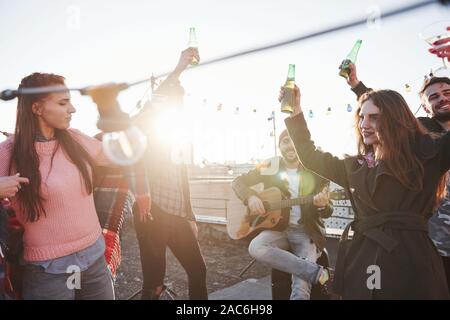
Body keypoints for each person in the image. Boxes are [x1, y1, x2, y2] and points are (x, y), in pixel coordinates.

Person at [282, 81, 450, 299]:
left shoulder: (427, 154)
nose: (364, 124)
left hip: (413, 260)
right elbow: (309, 155)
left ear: (396, 120)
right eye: (362, 117)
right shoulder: (354, 166)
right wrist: (295, 111)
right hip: (365, 256)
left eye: (374, 117)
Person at [0, 73, 115, 300]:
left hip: (94, 259)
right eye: (63, 103)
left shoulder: (75, 139)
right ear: (37, 108)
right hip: (47, 270)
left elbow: (122, 154)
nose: (72, 109)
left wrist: (110, 110)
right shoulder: (9, 152)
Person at [345, 62, 450, 291]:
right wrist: (358, 88)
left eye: (447, 93)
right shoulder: (422, 137)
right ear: (424, 105)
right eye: (433, 97)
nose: (441, 99)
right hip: (433, 235)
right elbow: (386, 116)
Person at [131, 48, 208, 300]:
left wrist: (190, 216)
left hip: (177, 214)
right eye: (174, 99)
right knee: (154, 282)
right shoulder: (145, 128)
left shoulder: (177, 135)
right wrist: (178, 70)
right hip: (152, 212)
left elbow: (181, 179)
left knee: (198, 270)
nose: (178, 103)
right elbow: (151, 107)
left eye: (180, 100)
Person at [232, 129, 333, 300]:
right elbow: (237, 182)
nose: (290, 145)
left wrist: (322, 205)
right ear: (279, 146)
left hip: (306, 232)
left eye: (293, 140)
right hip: (278, 230)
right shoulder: (270, 166)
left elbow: (329, 210)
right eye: (285, 141)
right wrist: (250, 197)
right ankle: (317, 273)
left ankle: (311, 273)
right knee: (255, 247)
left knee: (301, 289)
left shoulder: (316, 169)